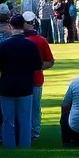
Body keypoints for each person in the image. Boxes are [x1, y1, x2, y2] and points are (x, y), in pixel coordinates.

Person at [0, 15, 42, 148]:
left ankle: (9, 145)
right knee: (25, 120)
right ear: (23, 26)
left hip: (7, 86)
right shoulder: (31, 45)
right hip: (25, 86)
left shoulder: (3, 45)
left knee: (8, 120)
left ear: (10, 26)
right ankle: (25, 144)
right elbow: (38, 66)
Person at [23, 12, 55, 141]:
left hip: (25, 79)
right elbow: (50, 61)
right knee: (35, 107)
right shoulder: (40, 40)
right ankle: (34, 132)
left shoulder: (17, 39)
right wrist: (38, 67)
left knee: (23, 107)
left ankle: (27, 131)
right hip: (35, 79)